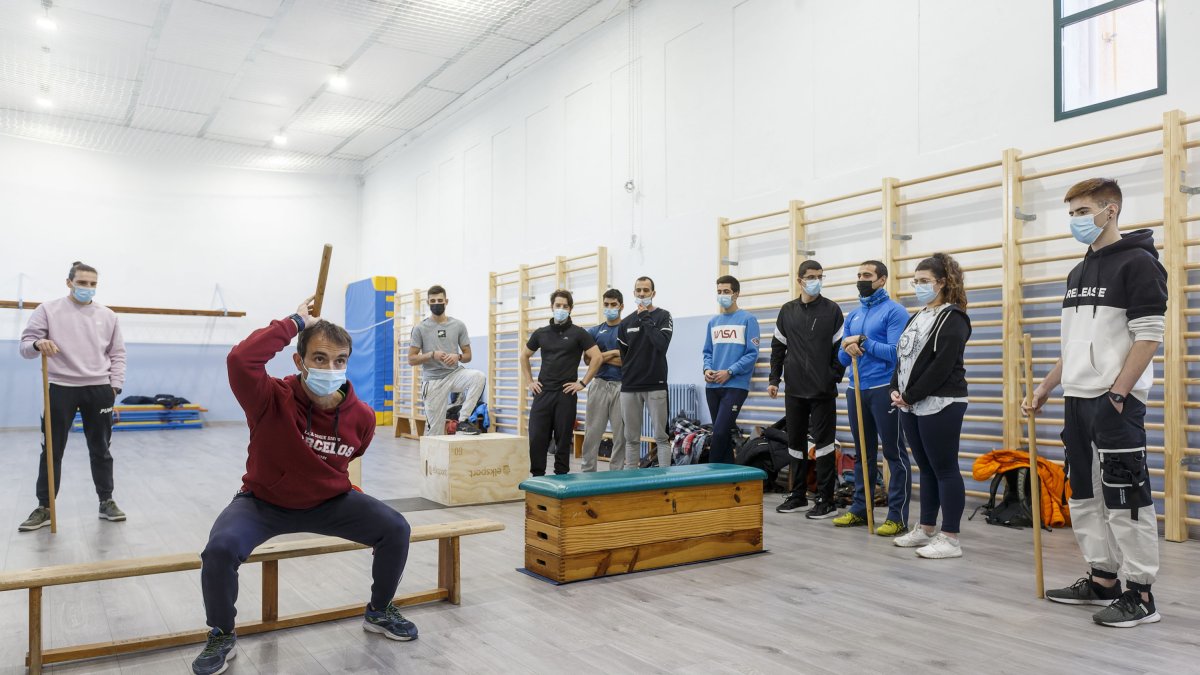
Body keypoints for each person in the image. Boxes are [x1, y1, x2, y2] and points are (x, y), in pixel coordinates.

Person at [192, 297, 416, 675]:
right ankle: (221, 633)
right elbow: (240, 360)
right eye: (320, 359)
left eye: (339, 360)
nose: (331, 368)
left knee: (395, 528)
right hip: (263, 502)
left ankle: (379, 611)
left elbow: (354, 451)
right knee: (220, 549)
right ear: (300, 362)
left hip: (331, 501)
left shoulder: (361, 416)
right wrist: (295, 321)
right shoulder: (269, 398)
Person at [1026, 178, 1166, 628]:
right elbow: (1074, 347)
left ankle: (1141, 594)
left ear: (1111, 210)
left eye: (1082, 212)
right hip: (1076, 399)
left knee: (1125, 497)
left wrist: (1119, 393)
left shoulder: (1140, 264)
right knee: (1083, 492)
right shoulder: (1078, 272)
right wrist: (1047, 387)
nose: (1075, 221)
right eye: (1070, 214)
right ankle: (1103, 578)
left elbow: (1148, 338)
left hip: (1116, 401)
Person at [18, 261, 127, 531]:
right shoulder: (48, 310)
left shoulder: (109, 316)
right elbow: (25, 346)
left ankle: (106, 501)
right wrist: (36, 343)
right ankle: (45, 507)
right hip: (60, 387)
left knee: (101, 449)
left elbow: (118, 354)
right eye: (82, 283)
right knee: (52, 450)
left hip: (99, 388)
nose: (87, 288)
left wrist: (114, 387)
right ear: (69, 282)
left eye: (92, 284)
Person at [890, 253, 971, 559]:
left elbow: (941, 366)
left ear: (943, 283)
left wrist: (910, 395)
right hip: (911, 402)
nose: (918, 286)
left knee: (945, 468)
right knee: (925, 468)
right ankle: (925, 528)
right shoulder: (918, 315)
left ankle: (950, 537)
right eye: (916, 281)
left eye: (924, 281)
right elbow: (903, 357)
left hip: (942, 402)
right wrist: (894, 389)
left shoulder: (954, 318)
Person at [831, 261, 912, 536]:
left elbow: (895, 352)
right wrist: (848, 345)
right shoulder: (852, 315)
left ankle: (897, 516)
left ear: (882, 279)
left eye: (867, 275)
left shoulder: (895, 312)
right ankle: (858, 509)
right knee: (862, 453)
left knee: (894, 452)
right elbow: (842, 358)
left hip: (884, 389)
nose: (861, 280)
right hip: (856, 389)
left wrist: (863, 341)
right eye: (858, 275)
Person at [770, 261, 845, 518]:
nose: (816, 280)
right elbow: (778, 348)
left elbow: (840, 351)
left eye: (820, 276)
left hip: (822, 391)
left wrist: (832, 376)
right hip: (794, 390)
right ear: (800, 280)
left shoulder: (832, 310)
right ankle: (798, 495)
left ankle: (826, 499)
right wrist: (774, 379)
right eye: (811, 276)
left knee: (824, 446)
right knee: (795, 444)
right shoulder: (787, 311)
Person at [522, 290, 602, 476]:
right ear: (552, 307)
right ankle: (537, 479)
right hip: (543, 393)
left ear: (570, 309)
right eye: (558, 305)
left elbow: (597, 357)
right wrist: (530, 382)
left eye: (565, 306)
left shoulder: (579, 334)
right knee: (536, 439)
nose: (561, 309)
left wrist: (582, 383)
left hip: (566, 395)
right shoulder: (541, 333)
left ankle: (561, 481)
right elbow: (524, 355)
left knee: (563, 441)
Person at [408, 285, 484, 435]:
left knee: (478, 377)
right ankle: (430, 458)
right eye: (433, 300)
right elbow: (411, 359)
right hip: (433, 381)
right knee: (435, 432)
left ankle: (463, 420)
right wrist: (431, 355)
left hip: (454, 374)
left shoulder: (458, 325)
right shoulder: (420, 328)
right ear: (428, 302)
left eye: (440, 300)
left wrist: (458, 357)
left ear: (446, 301)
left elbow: (468, 355)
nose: (437, 303)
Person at [702, 275, 760, 464]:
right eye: (719, 292)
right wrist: (707, 369)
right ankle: (728, 478)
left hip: (735, 386)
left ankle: (710, 477)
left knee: (718, 432)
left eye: (726, 291)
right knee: (723, 434)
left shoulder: (748, 319)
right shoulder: (713, 322)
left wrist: (730, 371)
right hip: (712, 387)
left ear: (736, 293)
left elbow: (752, 354)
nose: (722, 295)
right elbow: (707, 352)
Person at [618, 277, 674, 468]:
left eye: (646, 290)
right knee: (631, 438)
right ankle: (630, 482)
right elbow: (624, 356)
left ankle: (665, 482)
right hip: (630, 387)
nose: (642, 294)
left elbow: (661, 344)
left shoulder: (663, 316)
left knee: (661, 437)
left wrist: (645, 319)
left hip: (655, 385)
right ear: (634, 293)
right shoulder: (625, 323)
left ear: (653, 293)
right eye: (638, 290)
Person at [581, 289, 629, 471]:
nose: (609, 308)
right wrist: (615, 352)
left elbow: (628, 361)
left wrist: (600, 357)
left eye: (613, 305)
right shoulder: (594, 331)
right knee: (592, 432)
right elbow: (588, 360)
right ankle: (587, 472)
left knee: (621, 435)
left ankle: (616, 474)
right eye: (606, 305)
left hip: (622, 387)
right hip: (599, 385)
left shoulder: (627, 330)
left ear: (621, 306)